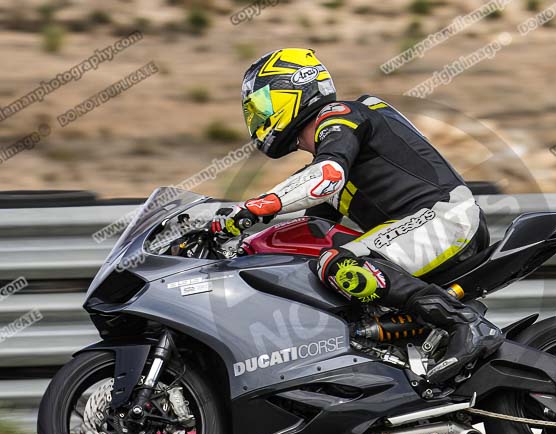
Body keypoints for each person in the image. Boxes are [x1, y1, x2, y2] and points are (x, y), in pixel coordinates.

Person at [211, 48, 503, 384]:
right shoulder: (332, 160)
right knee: (316, 272)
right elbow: (307, 231)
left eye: (263, 105)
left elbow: (326, 176)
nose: (258, 118)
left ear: (295, 87)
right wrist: (245, 249)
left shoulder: (341, 116)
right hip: (422, 227)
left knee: (339, 264)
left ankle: (465, 324)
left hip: (446, 218)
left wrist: (252, 208)